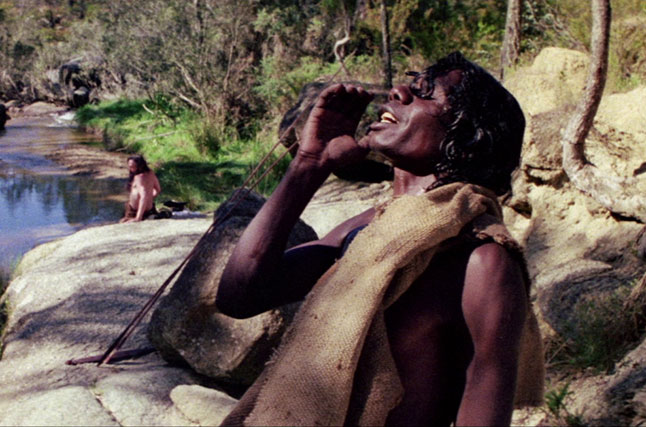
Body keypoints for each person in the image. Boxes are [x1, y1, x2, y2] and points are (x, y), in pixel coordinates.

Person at [215, 52, 543, 426]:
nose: (398, 91)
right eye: (410, 84)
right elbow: (239, 296)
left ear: (466, 139)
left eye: (426, 94)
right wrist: (310, 163)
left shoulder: (481, 259)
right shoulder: (366, 230)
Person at [120, 155, 161, 223]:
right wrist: (150, 198)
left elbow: (143, 196)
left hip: (135, 211)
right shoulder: (151, 173)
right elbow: (158, 190)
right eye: (129, 166)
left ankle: (140, 216)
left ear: (140, 166)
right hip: (150, 209)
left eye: (133, 166)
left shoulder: (139, 178)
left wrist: (138, 217)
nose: (130, 169)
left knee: (122, 223)